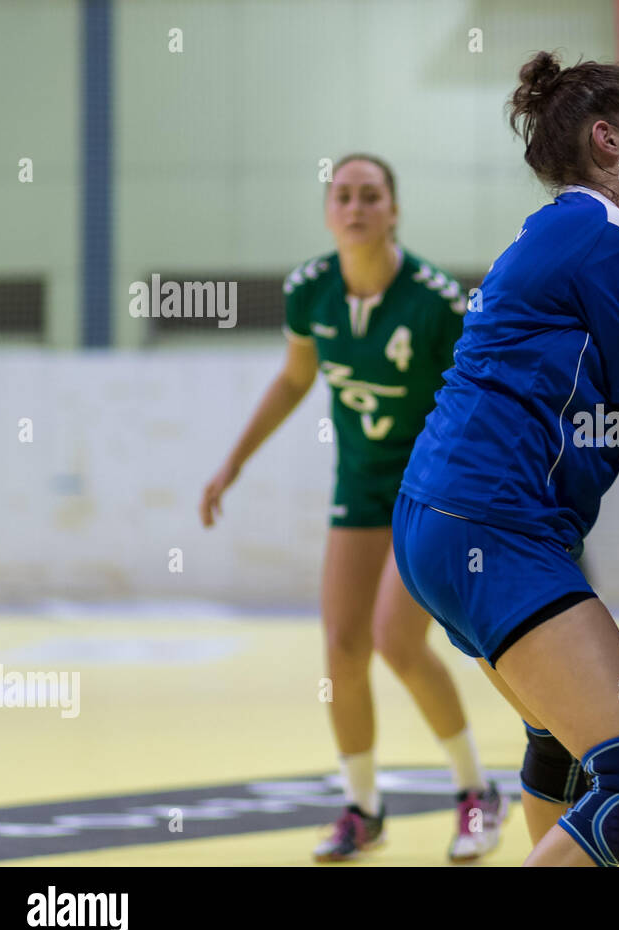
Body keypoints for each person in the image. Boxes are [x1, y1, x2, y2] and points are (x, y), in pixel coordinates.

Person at [392, 51, 619, 867]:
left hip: (448, 521)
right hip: (495, 523)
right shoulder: (608, 241)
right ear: (607, 140)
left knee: (560, 745)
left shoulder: (566, 226)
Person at [199, 154, 505, 863]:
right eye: (343, 196)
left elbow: (475, 403)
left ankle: (475, 791)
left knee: (396, 640)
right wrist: (233, 463)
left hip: (428, 492)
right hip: (359, 490)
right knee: (341, 647)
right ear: (329, 211)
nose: (356, 207)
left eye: (371, 196)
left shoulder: (433, 300)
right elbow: (294, 378)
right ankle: (363, 808)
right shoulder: (309, 290)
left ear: (393, 209)